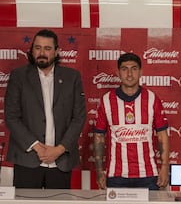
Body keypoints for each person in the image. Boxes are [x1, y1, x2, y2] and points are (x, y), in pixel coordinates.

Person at [4, 29, 86, 189]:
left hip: (61, 161)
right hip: (27, 159)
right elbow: (11, 117)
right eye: (37, 48)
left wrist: (59, 149)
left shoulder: (72, 77)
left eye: (47, 48)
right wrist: (36, 146)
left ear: (56, 51)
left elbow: (79, 117)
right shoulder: (18, 76)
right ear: (32, 49)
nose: (42, 52)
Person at [93, 52, 170, 190]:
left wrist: (164, 167)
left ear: (141, 72)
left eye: (134, 69)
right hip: (116, 176)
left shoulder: (152, 99)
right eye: (124, 69)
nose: (129, 74)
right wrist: (99, 171)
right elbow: (99, 137)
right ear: (118, 73)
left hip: (148, 175)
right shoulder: (106, 100)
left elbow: (162, 136)